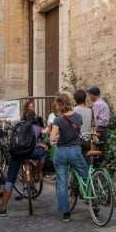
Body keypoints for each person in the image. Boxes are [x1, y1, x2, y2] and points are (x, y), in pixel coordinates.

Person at [0, 114, 48, 217]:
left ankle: (3, 208)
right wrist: (41, 145)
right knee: (42, 153)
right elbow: (35, 141)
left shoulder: (17, 126)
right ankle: (38, 174)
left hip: (16, 154)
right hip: (30, 152)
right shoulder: (36, 127)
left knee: (10, 180)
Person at [49, 92, 89, 221]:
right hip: (75, 151)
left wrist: (59, 137)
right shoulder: (78, 116)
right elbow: (77, 131)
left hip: (61, 152)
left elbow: (52, 138)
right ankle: (92, 200)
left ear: (59, 104)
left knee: (62, 183)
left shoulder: (58, 119)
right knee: (85, 175)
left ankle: (65, 213)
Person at [87, 87, 110, 153]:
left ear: (92, 95)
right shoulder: (103, 103)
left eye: (89, 95)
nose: (89, 97)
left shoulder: (97, 104)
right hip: (104, 129)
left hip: (99, 129)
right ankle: (101, 162)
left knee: (96, 149)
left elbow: (93, 117)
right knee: (101, 149)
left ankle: (97, 163)